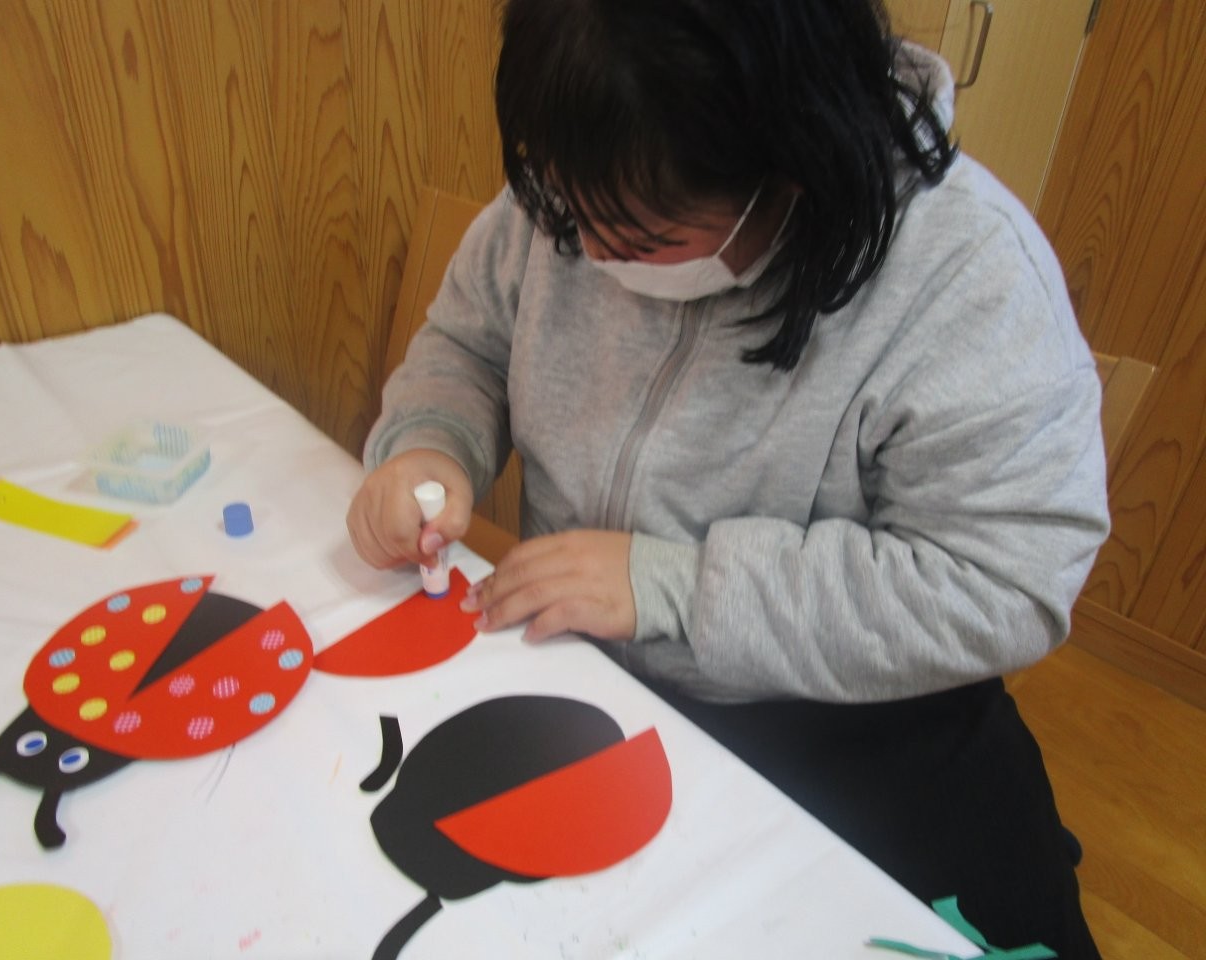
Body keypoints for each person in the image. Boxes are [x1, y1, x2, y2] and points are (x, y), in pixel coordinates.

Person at [347, 0, 1107, 954]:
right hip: (595, 681)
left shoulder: (969, 276)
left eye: (646, 238)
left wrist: (676, 585)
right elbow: (469, 343)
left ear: (790, 171)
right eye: (570, 213)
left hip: (847, 729)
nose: (588, 255)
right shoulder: (595, 173)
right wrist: (429, 442)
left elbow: (1002, 584)